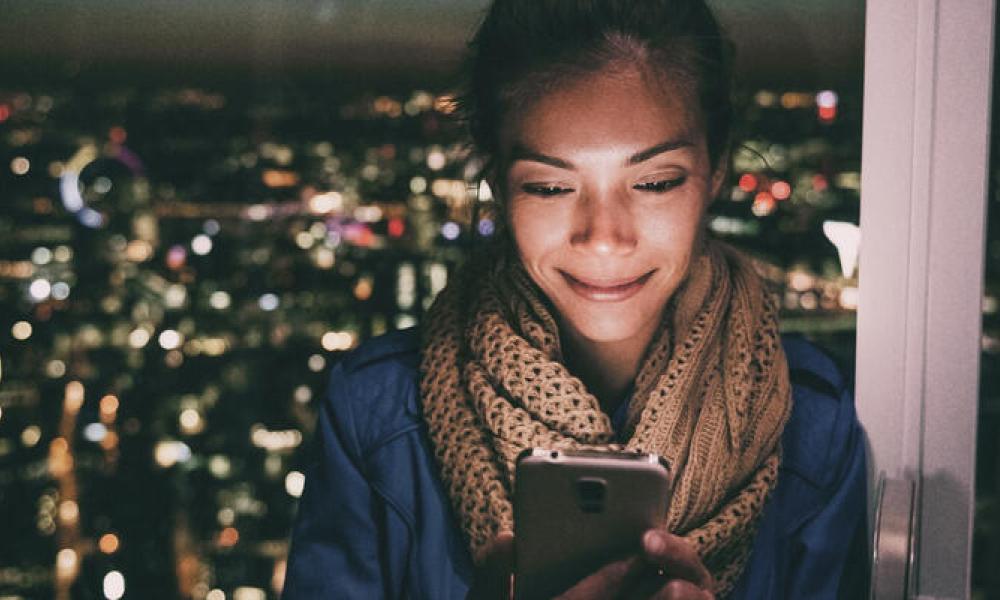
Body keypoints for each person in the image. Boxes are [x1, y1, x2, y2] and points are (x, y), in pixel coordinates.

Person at [282, 1, 867, 598]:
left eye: (656, 182)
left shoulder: (811, 427)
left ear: (715, 171)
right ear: (497, 184)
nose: (605, 236)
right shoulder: (377, 417)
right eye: (551, 186)